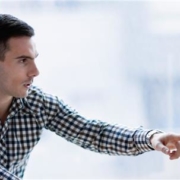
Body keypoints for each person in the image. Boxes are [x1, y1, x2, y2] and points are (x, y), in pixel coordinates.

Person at [0, 13, 180, 180]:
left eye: (34, 59)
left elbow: (94, 133)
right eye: (23, 60)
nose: (35, 72)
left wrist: (150, 138)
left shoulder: (35, 103)